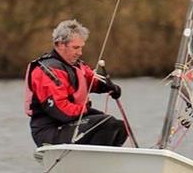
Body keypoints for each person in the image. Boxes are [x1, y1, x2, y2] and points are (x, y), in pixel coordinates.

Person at [24, 19, 128, 147]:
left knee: (120, 127)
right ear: (60, 44)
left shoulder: (76, 66)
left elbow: (91, 81)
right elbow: (61, 111)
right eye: (75, 48)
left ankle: (102, 162)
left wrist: (108, 86)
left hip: (70, 124)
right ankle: (90, 162)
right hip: (50, 131)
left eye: (81, 48)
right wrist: (87, 110)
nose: (80, 52)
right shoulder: (46, 71)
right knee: (106, 123)